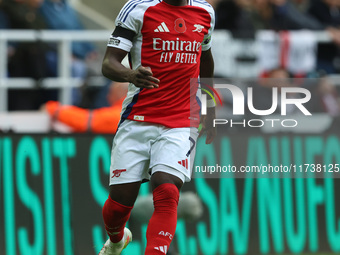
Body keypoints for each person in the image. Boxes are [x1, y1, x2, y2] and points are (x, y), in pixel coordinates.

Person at [98, 0, 216, 254]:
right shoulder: (138, 9)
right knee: (120, 205)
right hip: (137, 119)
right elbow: (109, 63)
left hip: (181, 120)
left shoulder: (205, 13)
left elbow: (205, 59)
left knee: (167, 188)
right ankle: (117, 240)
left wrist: (208, 102)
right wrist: (130, 74)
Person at [43, 81, 128, 133]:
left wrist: (54, 109)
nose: (107, 97)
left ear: (120, 93)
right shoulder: (127, 112)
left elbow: (86, 121)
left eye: (111, 92)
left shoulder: (121, 115)